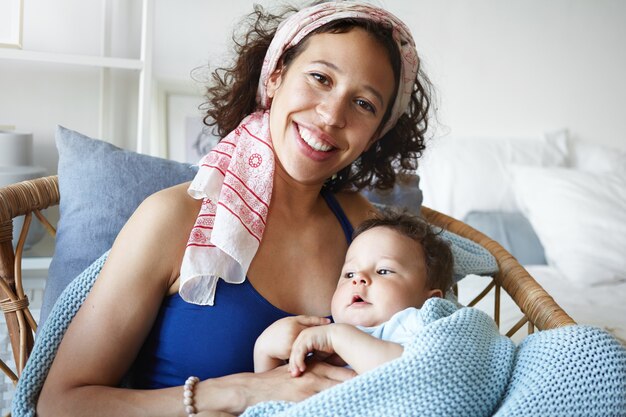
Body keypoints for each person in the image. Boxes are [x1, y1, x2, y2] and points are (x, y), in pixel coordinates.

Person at [36, 1, 433, 416]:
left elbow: (429, 354)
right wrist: (243, 390)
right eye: (319, 78)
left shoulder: (364, 228)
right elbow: (61, 404)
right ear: (277, 74)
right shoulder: (174, 219)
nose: (332, 115)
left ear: (375, 134)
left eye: (364, 104)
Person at [253, 212, 453, 376]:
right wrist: (265, 352)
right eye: (349, 274)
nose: (359, 279)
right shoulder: (317, 342)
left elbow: (417, 374)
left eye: (383, 271)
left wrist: (337, 337)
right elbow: (276, 397)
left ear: (430, 299)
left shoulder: (415, 325)